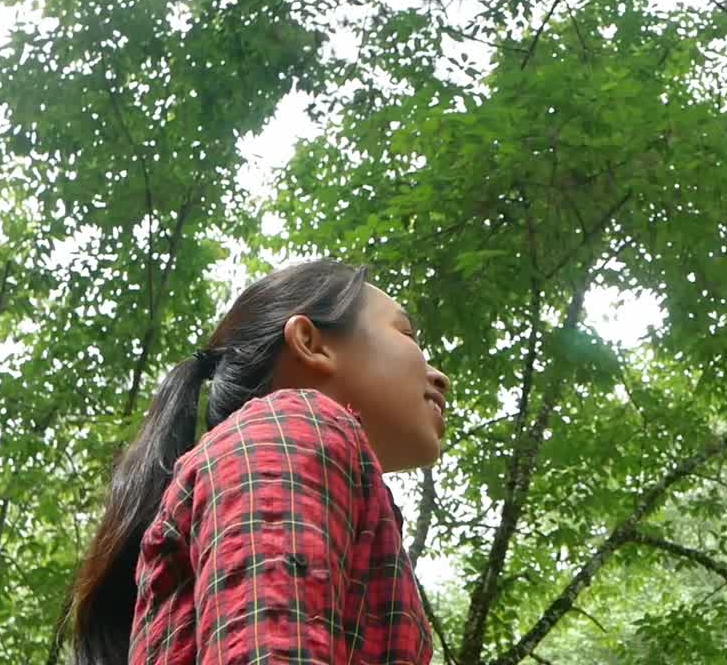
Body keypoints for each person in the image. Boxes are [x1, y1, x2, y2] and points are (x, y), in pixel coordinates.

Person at [65, 259, 450, 665]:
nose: (440, 376)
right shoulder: (290, 428)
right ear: (310, 342)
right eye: (406, 334)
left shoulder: (305, 457)